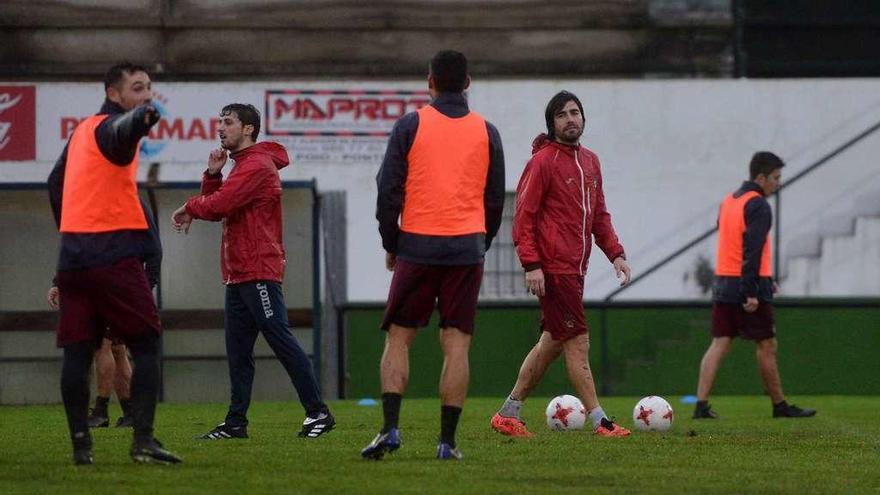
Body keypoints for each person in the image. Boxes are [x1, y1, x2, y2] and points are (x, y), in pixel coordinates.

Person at [362, 50, 505, 461]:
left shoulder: (410, 125)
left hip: (418, 246)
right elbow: (494, 198)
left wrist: (392, 242)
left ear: (430, 82)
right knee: (457, 346)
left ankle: (390, 430)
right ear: (468, 83)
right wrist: (482, 242)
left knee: (399, 338)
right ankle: (447, 443)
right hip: (466, 248)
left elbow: (388, 189)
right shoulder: (487, 131)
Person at [171, 103, 335, 440]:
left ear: (248, 129)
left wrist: (190, 206)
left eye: (228, 122)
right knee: (239, 352)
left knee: (280, 339)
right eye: (219, 122)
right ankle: (235, 423)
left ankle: (318, 412)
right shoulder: (242, 166)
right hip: (238, 273)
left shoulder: (257, 165)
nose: (220, 128)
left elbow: (217, 206)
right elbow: (219, 206)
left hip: (258, 270)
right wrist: (213, 175)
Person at [47, 62, 181, 465]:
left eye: (149, 89)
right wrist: (142, 119)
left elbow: (54, 183)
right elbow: (122, 132)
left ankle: (81, 447)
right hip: (113, 256)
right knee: (147, 342)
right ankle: (143, 441)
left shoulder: (82, 131)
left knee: (77, 351)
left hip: (73, 258)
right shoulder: (112, 128)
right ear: (114, 93)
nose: (146, 95)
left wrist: (71, 228)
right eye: (138, 88)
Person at [490, 90, 632, 439]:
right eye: (562, 115)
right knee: (578, 342)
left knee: (552, 342)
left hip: (575, 268)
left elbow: (599, 216)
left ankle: (508, 412)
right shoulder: (542, 162)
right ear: (551, 124)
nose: (571, 119)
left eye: (575, 112)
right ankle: (601, 421)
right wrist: (532, 265)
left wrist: (616, 253)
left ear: (583, 118)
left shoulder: (592, 161)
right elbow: (524, 218)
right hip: (554, 270)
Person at [693, 152, 816, 419]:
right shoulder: (759, 204)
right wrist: (752, 289)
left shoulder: (729, 200)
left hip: (723, 281)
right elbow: (753, 247)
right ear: (760, 177)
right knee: (767, 344)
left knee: (720, 342)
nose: (778, 183)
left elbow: (732, 240)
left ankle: (700, 405)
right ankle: (780, 406)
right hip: (746, 283)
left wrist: (765, 279)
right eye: (775, 178)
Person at [48, 197, 161, 430]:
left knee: (103, 346)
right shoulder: (128, 201)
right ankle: (130, 411)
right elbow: (153, 250)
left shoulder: (110, 201)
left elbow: (78, 247)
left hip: (110, 284)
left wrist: (145, 286)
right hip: (119, 284)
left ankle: (101, 410)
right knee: (118, 349)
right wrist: (145, 287)